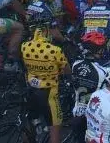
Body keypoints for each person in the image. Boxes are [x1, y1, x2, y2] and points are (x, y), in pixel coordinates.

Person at [22, 8, 70, 143]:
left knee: (30, 125)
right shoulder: (55, 50)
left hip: (31, 90)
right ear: (46, 30)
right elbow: (66, 70)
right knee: (55, 131)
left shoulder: (24, 46)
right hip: (49, 94)